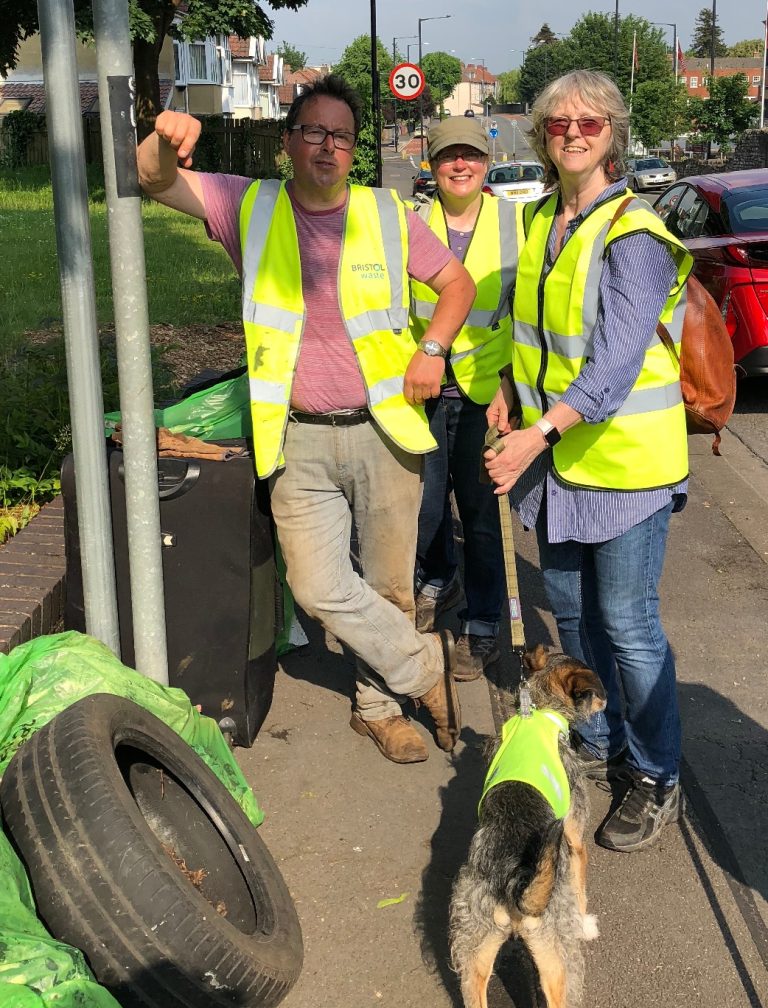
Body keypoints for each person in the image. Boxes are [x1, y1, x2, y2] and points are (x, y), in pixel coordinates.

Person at [136, 75, 477, 765]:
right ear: (289, 141)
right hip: (296, 433)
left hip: (386, 430)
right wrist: (165, 136)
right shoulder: (247, 205)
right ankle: (424, 668)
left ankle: (378, 707)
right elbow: (152, 179)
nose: (328, 146)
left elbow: (456, 284)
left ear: (355, 149)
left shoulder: (386, 214)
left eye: (342, 136)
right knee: (317, 586)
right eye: (314, 132)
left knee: (386, 584)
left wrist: (434, 348)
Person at [485, 70, 693, 853]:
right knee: (571, 613)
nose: (573, 132)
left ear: (614, 132)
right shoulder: (542, 219)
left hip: (623, 461)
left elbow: (610, 366)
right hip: (558, 463)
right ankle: (599, 740)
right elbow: (529, 325)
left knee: (629, 626)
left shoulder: (633, 231)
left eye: (589, 122)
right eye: (558, 122)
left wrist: (535, 435)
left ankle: (656, 772)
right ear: (541, 135)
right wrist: (509, 388)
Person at [410, 117, 524, 680]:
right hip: (422, 392)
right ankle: (436, 578)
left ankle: (482, 625)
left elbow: (526, 313)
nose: (461, 165)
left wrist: (510, 380)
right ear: (432, 165)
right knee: (426, 508)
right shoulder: (409, 223)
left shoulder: (515, 222)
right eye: (450, 156)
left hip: (487, 392)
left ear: (486, 163)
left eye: (472, 156)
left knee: (481, 514)